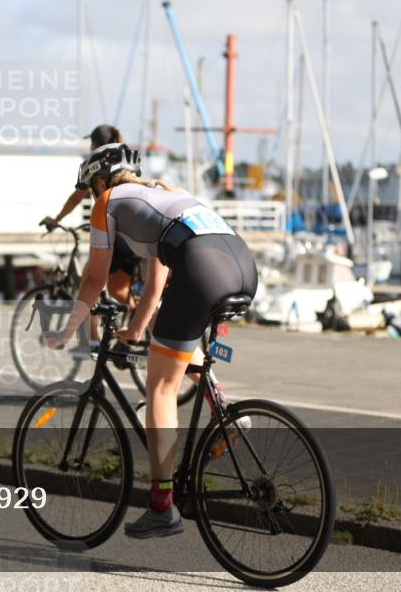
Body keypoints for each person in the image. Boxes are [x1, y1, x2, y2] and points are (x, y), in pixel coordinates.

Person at [42, 143, 257, 539]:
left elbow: (94, 280)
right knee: (172, 345)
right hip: (242, 263)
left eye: (92, 188)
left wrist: (66, 331)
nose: (93, 196)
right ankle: (225, 412)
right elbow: (157, 282)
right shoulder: (164, 192)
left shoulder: (106, 202)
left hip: (202, 266)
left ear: (101, 181)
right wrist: (137, 329)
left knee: (160, 388)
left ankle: (161, 506)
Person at [40, 124, 140, 306]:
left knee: (88, 290)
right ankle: (140, 323)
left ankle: (92, 336)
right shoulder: (127, 159)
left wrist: (57, 220)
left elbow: (77, 197)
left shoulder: (98, 164)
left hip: (117, 236)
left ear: (94, 143)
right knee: (118, 290)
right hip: (137, 234)